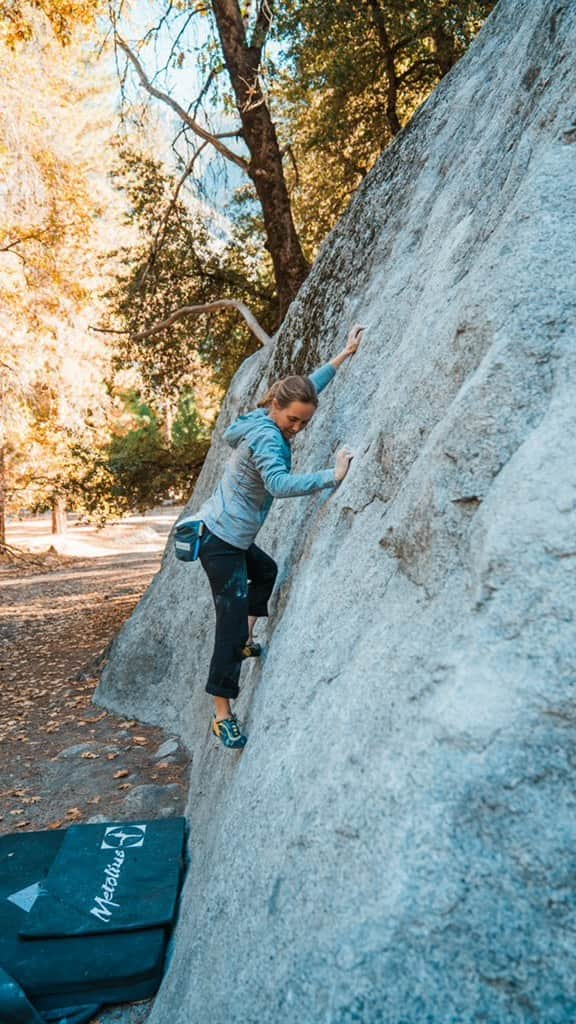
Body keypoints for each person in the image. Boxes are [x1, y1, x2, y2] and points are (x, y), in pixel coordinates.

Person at [181, 323, 365, 749]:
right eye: (293, 420)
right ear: (277, 408)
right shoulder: (267, 436)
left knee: (265, 572)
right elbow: (279, 484)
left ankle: (244, 643)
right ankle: (222, 715)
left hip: (232, 535)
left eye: (304, 421)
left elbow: (307, 387)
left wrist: (343, 354)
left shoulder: (267, 414)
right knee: (228, 627)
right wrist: (332, 475)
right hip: (220, 541)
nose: (297, 428)